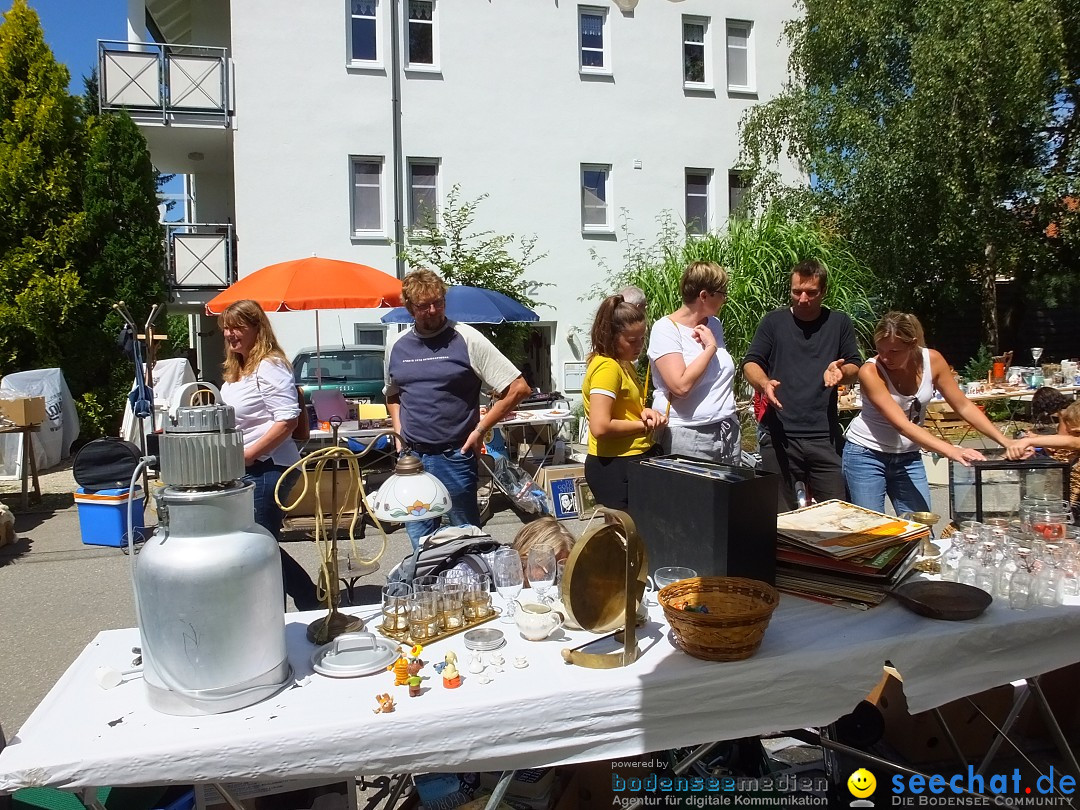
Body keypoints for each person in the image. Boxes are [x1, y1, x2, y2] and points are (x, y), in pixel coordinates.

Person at [386, 269, 532, 548]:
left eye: (438, 302)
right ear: (409, 308)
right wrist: (398, 432)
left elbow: (518, 388)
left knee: (466, 539)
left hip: (454, 456)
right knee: (421, 543)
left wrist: (481, 429)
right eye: (424, 306)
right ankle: (427, 589)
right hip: (412, 459)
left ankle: (471, 590)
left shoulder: (466, 338)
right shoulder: (396, 344)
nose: (433, 310)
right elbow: (392, 393)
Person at [843, 312, 1019, 516]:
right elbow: (902, 425)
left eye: (893, 350)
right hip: (866, 455)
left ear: (912, 344)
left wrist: (1004, 440)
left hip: (907, 457)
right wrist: (951, 450)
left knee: (922, 528)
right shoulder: (870, 371)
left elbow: (962, 405)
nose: (885, 357)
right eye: (880, 349)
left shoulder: (932, 360)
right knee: (873, 530)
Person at [218, 299, 320, 611]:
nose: (230, 333)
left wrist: (249, 453)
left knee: (258, 546)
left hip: (269, 468)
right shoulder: (240, 367)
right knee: (258, 545)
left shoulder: (270, 365)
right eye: (226, 327)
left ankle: (285, 610)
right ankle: (306, 601)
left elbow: (287, 420)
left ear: (256, 328)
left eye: (238, 327)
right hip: (247, 468)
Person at [743, 259, 862, 510]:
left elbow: (855, 366)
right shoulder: (773, 322)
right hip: (779, 437)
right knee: (779, 519)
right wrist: (764, 383)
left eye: (811, 292)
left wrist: (841, 371)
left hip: (823, 436)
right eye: (797, 292)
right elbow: (750, 363)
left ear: (824, 292)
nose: (803, 298)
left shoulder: (839, 322)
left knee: (837, 513)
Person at [647, 261, 738, 463]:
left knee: (732, 495)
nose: (724, 300)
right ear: (704, 296)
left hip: (725, 432)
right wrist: (710, 349)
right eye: (722, 294)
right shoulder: (666, 329)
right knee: (691, 495)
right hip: (688, 435)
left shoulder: (714, 323)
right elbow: (681, 386)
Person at [583, 295, 668, 511]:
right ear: (612, 337)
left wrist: (644, 412)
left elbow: (624, 409)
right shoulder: (608, 368)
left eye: (642, 338)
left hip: (630, 458)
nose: (639, 346)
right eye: (632, 340)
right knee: (626, 536)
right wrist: (644, 426)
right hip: (615, 465)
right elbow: (600, 426)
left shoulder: (623, 363)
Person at [1007, 399, 1080, 517]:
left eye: (1077, 433)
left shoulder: (1074, 442)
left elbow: (1073, 442)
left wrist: (1030, 441)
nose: (1072, 437)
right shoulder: (1070, 452)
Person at [513, 516, 575, 586]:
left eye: (563, 569)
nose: (557, 578)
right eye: (550, 567)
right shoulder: (504, 584)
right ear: (526, 559)